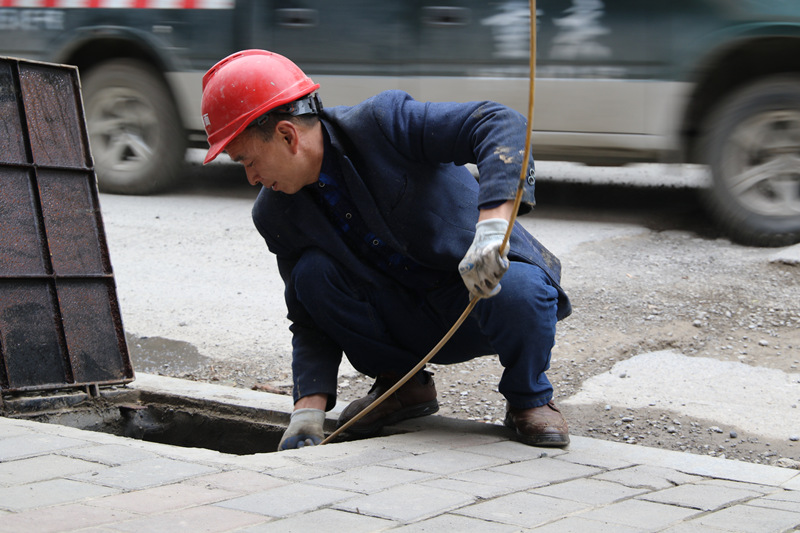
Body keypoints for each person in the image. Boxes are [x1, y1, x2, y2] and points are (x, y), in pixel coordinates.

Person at [200, 49, 573, 451]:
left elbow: (501, 123)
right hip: (404, 322)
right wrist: (307, 411)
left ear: (288, 135)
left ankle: (528, 398)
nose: (252, 177)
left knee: (521, 289)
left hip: (478, 298)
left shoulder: (383, 124)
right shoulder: (275, 214)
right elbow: (309, 316)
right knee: (311, 275)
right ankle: (404, 386)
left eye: (247, 160)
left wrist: (493, 226)